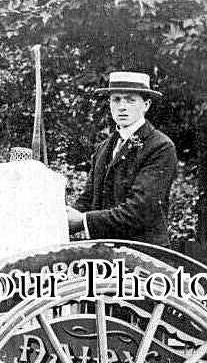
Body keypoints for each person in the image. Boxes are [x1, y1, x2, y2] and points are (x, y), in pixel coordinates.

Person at [67, 71, 177, 245]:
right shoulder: (103, 148)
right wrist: (61, 218)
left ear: (146, 105)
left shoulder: (160, 147)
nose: (122, 106)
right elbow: (88, 199)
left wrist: (83, 220)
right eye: (116, 99)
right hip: (104, 256)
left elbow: (139, 210)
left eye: (130, 100)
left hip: (144, 257)